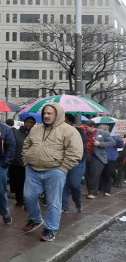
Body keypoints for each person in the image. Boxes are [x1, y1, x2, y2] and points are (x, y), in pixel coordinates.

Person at [21, 102, 83, 242]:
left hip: (55, 171)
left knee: (53, 201)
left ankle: (51, 228)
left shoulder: (69, 130)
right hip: (32, 169)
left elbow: (75, 152)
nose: (46, 116)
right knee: (28, 197)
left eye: (50, 113)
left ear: (58, 114)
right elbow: (26, 145)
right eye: (44, 113)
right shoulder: (36, 129)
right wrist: (26, 160)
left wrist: (63, 168)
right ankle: (35, 219)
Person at [8, 115, 37, 208]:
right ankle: (19, 200)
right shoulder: (15, 132)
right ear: (24, 123)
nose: (30, 124)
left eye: (32, 123)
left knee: (27, 183)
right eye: (28, 122)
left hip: (29, 163)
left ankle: (26, 200)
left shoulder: (35, 134)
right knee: (18, 183)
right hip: (16, 162)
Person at [83, 120, 114, 199]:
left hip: (98, 157)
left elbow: (112, 143)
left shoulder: (103, 133)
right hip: (87, 156)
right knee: (87, 175)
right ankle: (90, 191)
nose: (85, 129)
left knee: (95, 175)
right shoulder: (85, 134)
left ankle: (93, 193)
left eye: (86, 127)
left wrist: (100, 144)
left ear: (92, 126)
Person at [62, 114, 86, 213]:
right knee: (63, 185)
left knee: (74, 183)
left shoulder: (79, 132)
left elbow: (79, 147)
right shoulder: (57, 131)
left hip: (77, 162)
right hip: (62, 162)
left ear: (71, 122)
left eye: (65, 120)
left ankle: (78, 201)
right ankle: (64, 207)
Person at [100, 125, 122, 196]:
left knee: (108, 174)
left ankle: (107, 190)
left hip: (110, 159)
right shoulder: (100, 137)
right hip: (101, 158)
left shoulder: (114, 137)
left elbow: (120, 145)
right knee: (101, 174)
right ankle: (101, 188)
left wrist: (120, 139)